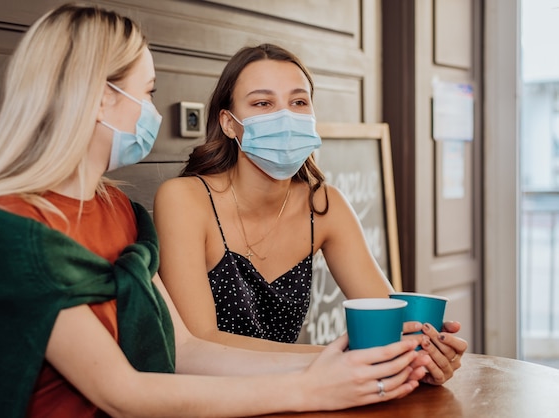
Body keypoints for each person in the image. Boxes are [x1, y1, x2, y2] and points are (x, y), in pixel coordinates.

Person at [0, 4, 432, 417]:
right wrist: (309, 387)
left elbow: (186, 349)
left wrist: (346, 365)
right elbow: (121, 394)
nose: (153, 111)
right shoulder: (6, 228)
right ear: (104, 99)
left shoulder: (119, 211)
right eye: (147, 92)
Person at [153, 43, 468, 384]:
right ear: (229, 124)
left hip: (298, 398)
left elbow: (389, 326)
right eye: (263, 103)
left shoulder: (326, 206)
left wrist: (423, 354)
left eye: (298, 102)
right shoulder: (184, 199)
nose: (285, 117)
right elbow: (199, 344)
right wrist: (341, 358)